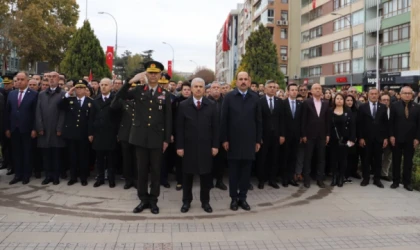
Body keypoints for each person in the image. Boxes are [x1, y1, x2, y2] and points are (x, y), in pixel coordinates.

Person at [116, 61, 172, 215]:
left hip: (156, 138)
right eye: (150, 73)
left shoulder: (165, 94)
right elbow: (119, 96)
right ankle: (143, 199)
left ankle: (153, 200)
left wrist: (166, 139)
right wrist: (130, 81)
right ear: (146, 74)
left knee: (155, 171)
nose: (153, 75)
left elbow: (168, 118)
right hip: (139, 137)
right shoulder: (138, 90)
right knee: (141, 171)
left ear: (160, 75)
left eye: (156, 73)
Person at [220, 71, 262, 211]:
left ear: (249, 81)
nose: (243, 81)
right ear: (236, 81)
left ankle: (243, 198)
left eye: (245, 79)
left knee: (246, 172)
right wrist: (224, 139)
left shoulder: (255, 98)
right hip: (233, 141)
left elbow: (259, 121)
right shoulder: (229, 97)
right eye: (240, 79)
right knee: (233, 173)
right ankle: (233, 199)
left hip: (250, 141)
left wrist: (258, 140)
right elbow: (223, 120)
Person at [176, 78, 219, 213]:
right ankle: (186, 201)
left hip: (206, 147)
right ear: (192, 89)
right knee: (187, 176)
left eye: (201, 86)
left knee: (205, 176)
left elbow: (216, 128)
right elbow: (179, 128)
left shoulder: (211, 105)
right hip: (188, 147)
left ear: (205, 89)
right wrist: (180, 146)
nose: (199, 89)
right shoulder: (183, 105)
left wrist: (215, 145)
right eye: (196, 86)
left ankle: (205, 202)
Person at [5, 72, 38, 185]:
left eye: (22, 79)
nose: (19, 81)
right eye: (17, 79)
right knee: (16, 153)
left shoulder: (34, 94)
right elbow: (7, 112)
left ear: (27, 81)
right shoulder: (12, 94)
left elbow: (35, 113)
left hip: (27, 129)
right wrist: (7, 128)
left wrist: (34, 129)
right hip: (14, 129)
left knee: (27, 153)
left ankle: (26, 175)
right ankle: (17, 175)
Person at [59, 80, 94, 186]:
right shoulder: (70, 100)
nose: (79, 90)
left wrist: (90, 133)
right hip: (71, 133)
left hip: (83, 134)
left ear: (85, 89)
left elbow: (91, 119)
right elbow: (60, 106)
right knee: (72, 157)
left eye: (82, 88)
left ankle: (83, 177)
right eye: (77, 88)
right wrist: (68, 94)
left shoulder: (90, 102)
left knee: (83, 157)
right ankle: (73, 177)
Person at [35, 71, 66, 185]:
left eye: (54, 77)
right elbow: (38, 112)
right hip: (44, 130)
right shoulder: (42, 94)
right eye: (50, 77)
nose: (52, 79)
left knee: (56, 155)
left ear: (58, 79)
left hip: (55, 130)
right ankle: (48, 176)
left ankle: (56, 176)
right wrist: (40, 126)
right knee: (46, 155)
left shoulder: (62, 94)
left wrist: (59, 128)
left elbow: (63, 113)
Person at [90, 78, 119, 188]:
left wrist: (118, 134)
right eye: (101, 84)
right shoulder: (95, 100)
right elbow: (91, 118)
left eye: (106, 85)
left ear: (111, 87)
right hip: (98, 134)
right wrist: (90, 133)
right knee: (100, 158)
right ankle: (100, 178)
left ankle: (111, 179)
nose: (103, 87)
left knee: (111, 159)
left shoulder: (115, 100)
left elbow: (119, 118)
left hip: (111, 133)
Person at [389, 86, 420, 191]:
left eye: (409, 93)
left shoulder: (417, 107)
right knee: (396, 161)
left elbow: (419, 125)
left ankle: (407, 183)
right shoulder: (394, 106)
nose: (407, 95)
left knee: (408, 162)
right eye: (405, 93)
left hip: (410, 140)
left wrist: (417, 138)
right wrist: (391, 135)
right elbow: (391, 123)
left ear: (412, 95)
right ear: (401, 94)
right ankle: (395, 181)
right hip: (397, 139)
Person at [357, 88, 388, 188]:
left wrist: (385, 138)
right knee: (366, 159)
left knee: (378, 160)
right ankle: (366, 178)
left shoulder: (383, 107)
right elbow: (360, 124)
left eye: (375, 94)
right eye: (372, 94)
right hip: (366, 139)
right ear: (368, 95)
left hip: (379, 139)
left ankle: (377, 179)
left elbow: (385, 124)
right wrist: (360, 138)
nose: (374, 95)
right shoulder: (362, 107)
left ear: (378, 95)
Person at [301, 83, 330, 188]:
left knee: (321, 158)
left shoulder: (326, 103)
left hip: (322, 135)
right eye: (315, 89)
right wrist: (303, 134)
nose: (318, 90)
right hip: (309, 135)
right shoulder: (306, 103)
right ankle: (307, 179)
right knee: (308, 158)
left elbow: (327, 121)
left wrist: (328, 134)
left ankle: (320, 179)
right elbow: (303, 120)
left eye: (319, 88)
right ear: (311, 91)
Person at [256, 80, 284, 189]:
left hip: (276, 135)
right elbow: (258, 119)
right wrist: (259, 136)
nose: (272, 89)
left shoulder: (279, 102)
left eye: (274, 87)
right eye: (270, 87)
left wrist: (282, 135)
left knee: (274, 157)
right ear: (265, 89)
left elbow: (282, 120)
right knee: (262, 158)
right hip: (264, 135)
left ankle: (272, 179)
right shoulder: (260, 101)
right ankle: (261, 180)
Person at [110, 82, 137, 189]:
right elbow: (113, 106)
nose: (132, 91)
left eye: (134, 89)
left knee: (137, 159)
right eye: (130, 89)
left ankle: (136, 179)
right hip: (125, 133)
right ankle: (128, 180)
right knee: (126, 159)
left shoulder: (141, 101)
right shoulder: (122, 101)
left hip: (138, 133)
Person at [329, 93, 356, 187]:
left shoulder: (348, 111)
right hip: (333, 139)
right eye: (337, 98)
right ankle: (334, 178)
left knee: (343, 159)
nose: (339, 100)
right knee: (333, 159)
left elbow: (352, 126)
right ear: (334, 100)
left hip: (345, 140)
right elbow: (328, 126)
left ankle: (341, 177)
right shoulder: (330, 111)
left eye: (341, 99)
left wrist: (352, 139)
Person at [208, 81, 228, 190]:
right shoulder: (205, 102)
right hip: (208, 137)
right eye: (213, 87)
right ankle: (209, 181)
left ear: (221, 90)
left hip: (221, 137)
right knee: (209, 160)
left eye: (218, 87)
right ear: (210, 90)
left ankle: (219, 181)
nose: (216, 89)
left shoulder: (225, 102)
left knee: (221, 161)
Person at [172, 82, 191, 190]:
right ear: (181, 91)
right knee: (179, 159)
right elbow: (172, 118)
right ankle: (179, 181)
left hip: (191, 135)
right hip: (178, 134)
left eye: (188, 89)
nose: (187, 91)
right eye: (185, 90)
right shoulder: (176, 102)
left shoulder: (194, 102)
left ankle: (188, 180)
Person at [282, 83, 301, 187]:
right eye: (292, 90)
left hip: (296, 136)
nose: (294, 91)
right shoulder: (283, 103)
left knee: (294, 157)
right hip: (286, 135)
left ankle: (291, 178)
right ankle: (285, 178)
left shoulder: (300, 104)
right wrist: (282, 134)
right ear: (288, 92)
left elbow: (301, 121)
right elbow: (281, 121)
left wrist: (301, 135)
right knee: (285, 157)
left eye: (295, 90)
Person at [380, 93, 392, 182]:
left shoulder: (392, 111)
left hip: (390, 137)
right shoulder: (377, 110)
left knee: (388, 157)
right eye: (384, 100)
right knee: (377, 156)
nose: (386, 101)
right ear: (380, 100)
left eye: (387, 100)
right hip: (379, 137)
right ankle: (375, 172)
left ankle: (384, 173)